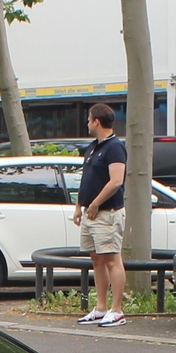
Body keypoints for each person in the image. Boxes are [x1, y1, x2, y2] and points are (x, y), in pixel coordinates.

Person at [73, 103, 128, 325]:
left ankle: (117, 310)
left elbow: (116, 181)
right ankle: (100, 308)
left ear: (97, 121)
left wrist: (95, 204)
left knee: (112, 259)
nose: (87, 123)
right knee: (96, 259)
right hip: (90, 213)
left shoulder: (115, 147)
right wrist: (79, 205)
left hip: (107, 213)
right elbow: (87, 179)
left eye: (88, 119)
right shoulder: (93, 147)